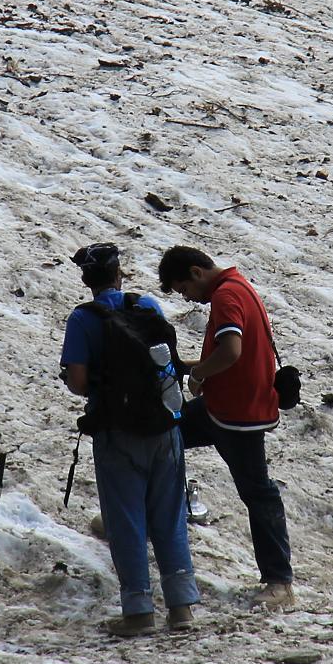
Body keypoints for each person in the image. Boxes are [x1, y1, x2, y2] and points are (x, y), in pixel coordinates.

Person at [60, 243, 200, 637]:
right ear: (119, 274)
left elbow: (78, 382)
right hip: (165, 426)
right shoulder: (147, 306)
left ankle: (139, 611)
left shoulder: (83, 319)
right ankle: (182, 607)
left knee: (127, 520)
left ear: (87, 280)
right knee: (170, 515)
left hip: (117, 431)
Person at [157, 245, 295, 612]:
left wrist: (199, 374)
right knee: (160, 439)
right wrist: (188, 366)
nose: (189, 298)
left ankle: (280, 583)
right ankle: (130, 524)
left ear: (196, 272)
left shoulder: (225, 295)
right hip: (224, 408)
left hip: (238, 414)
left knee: (258, 492)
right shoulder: (238, 286)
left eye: (185, 289)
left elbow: (231, 350)